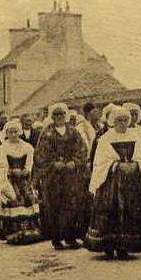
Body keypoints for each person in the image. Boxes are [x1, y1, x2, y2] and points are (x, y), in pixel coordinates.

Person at [85, 106, 141, 259]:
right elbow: (100, 161)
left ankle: (126, 246)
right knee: (111, 210)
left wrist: (135, 165)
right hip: (112, 180)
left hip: (131, 180)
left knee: (131, 210)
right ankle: (108, 245)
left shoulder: (135, 136)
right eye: (119, 120)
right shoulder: (106, 139)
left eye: (125, 120)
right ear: (113, 122)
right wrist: (115, 165)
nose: (122, 123)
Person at [33, 103, 90, 250]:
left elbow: (82, 150)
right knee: (55, 205)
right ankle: (56, 238)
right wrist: (53, 163)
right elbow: (41, 153)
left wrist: (74, 162)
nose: (59, 117)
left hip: (71, 176)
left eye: (61, 114)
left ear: (66, 116)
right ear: (52, 117)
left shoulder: (73, 132)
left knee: (72, 205)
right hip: (54, 177)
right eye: (56, 115)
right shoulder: (47, 133)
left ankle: (71, 237)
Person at [0, 119, 42, 244]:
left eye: (16, 132)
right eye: (11, 132)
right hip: (9, 181)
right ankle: (12, 232)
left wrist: (27, 170)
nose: (13, 135)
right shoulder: (2, 149)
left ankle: (31, 229)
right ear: (6, 133)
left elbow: (31, 162)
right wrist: (10, 172)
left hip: (24, 180)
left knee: (29, 199)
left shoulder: (27, 147)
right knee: (13, 200)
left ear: (20, 132)